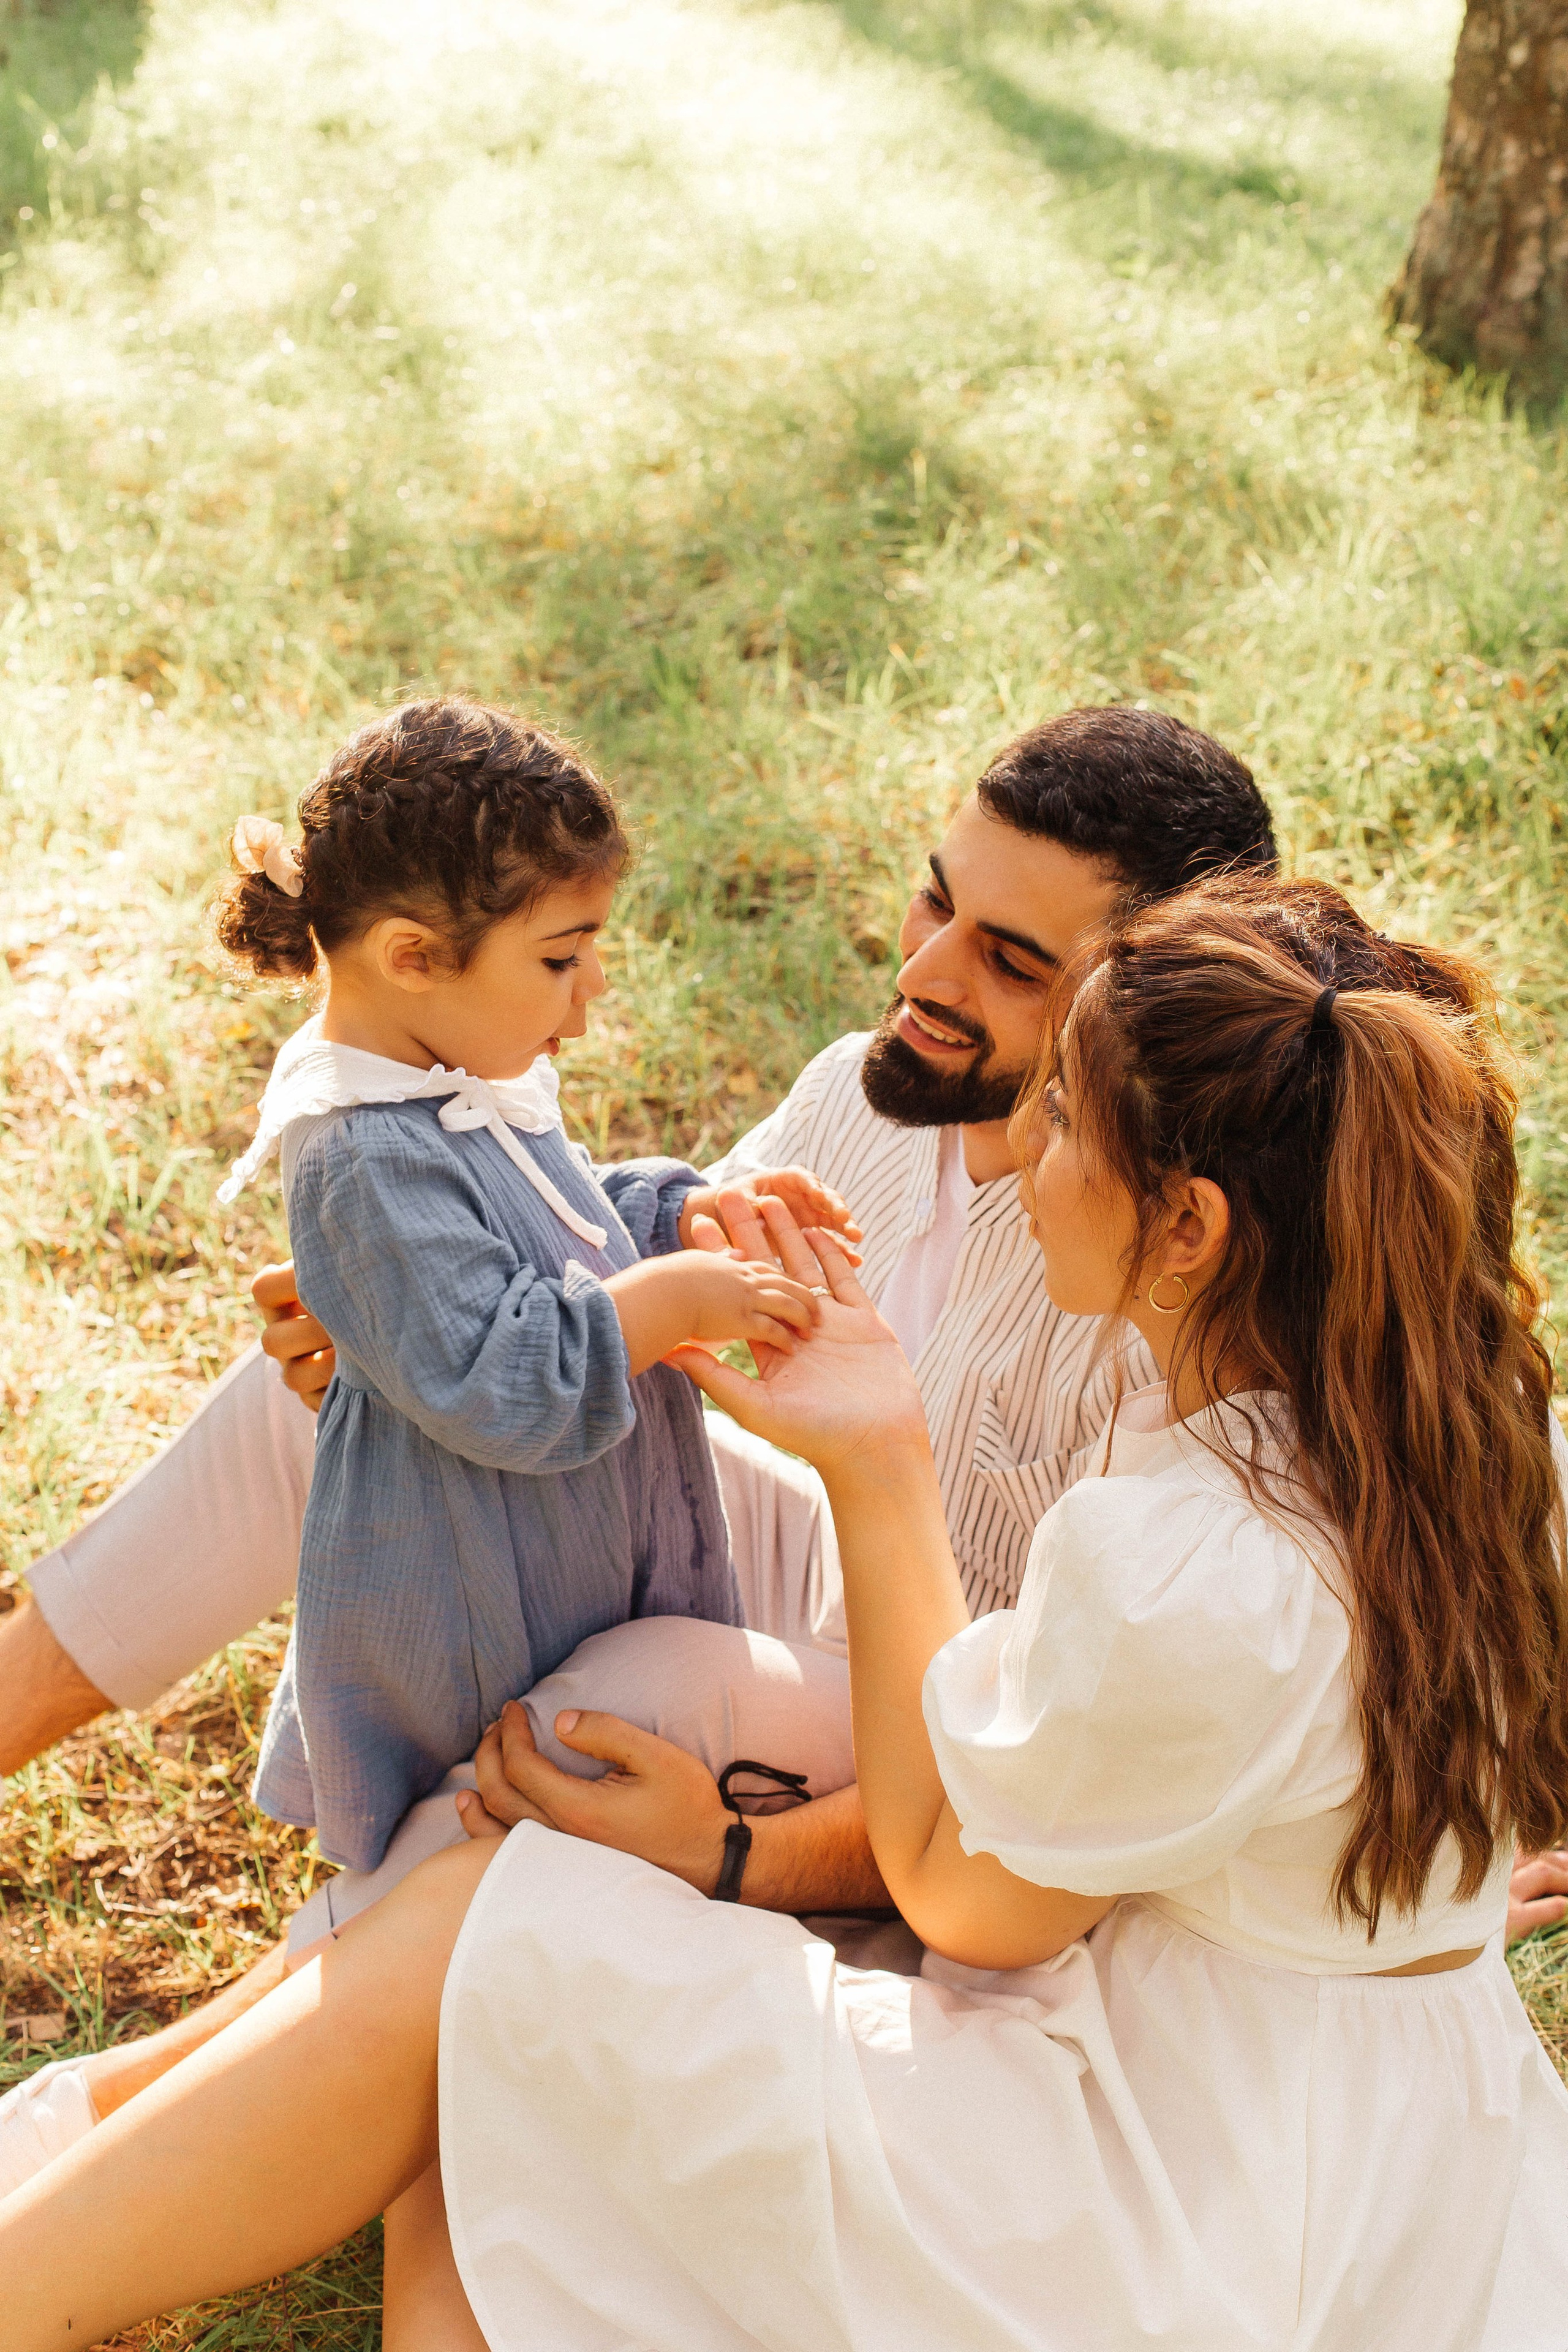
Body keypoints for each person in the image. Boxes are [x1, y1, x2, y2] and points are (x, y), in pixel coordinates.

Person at [6, 874, 1566, 2351]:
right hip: (1400, 2138)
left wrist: (880, 1465)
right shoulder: (1485, 1429)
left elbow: (969, 1902)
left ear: (1191, 1226)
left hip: (1153, 2212)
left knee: (502, 1941)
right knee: (520, 2001)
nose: (1023, 1149)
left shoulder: (1186, 1562)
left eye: (1066, 1114)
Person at [205, 696, 848, 1875]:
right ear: (411, 957)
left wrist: (668, 1218)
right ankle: (394, 1946)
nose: (591, 991)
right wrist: (674, 1303)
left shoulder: (452, 1074)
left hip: (567, 1543)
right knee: (484, 1809)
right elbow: (503, 1380)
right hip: (470, 1588)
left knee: (574, 1796)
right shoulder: (357, 1153)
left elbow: (552, 1227)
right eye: (560, 958)